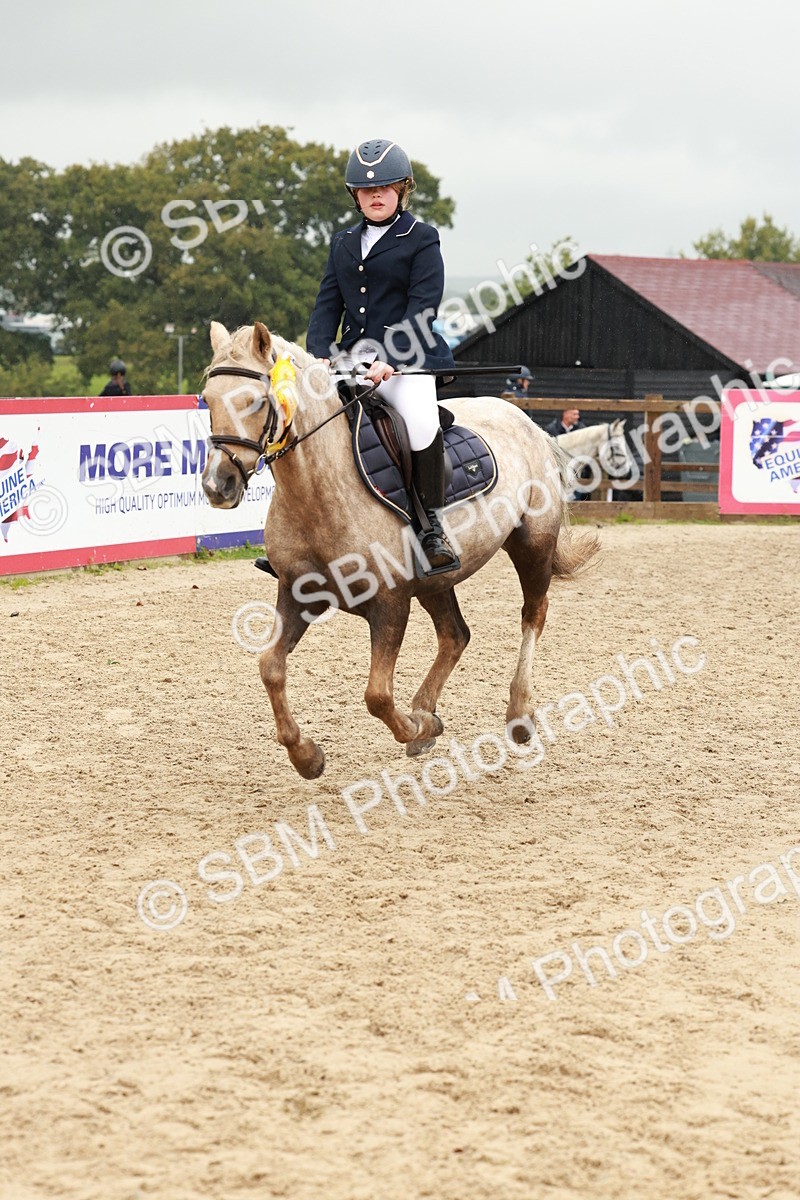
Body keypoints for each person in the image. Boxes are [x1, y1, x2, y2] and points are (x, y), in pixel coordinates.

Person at [304, 137, 459, 574]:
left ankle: (431, 528)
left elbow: (423, 306)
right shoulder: (343, 242)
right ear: (355, 196)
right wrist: (318, 354)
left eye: (385, 188)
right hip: (348, 360)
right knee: (311, 425)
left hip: (406, 359)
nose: (375, 195)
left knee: (419, 422)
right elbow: (327, 305)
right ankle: (303, 538)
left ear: (402, 190)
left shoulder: (422, 238)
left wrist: (390, 356)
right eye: (366, 190)